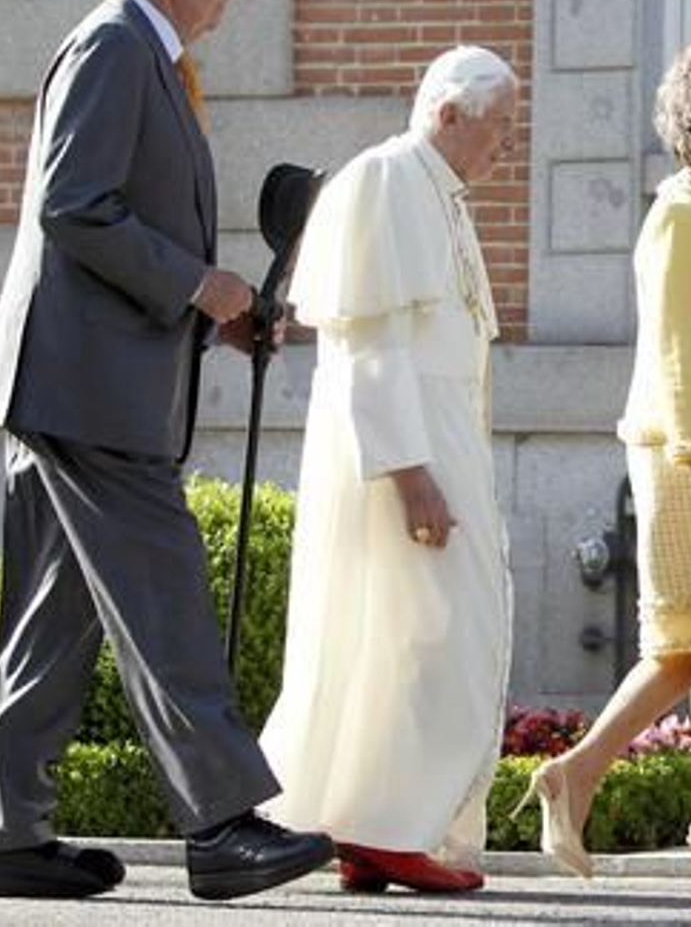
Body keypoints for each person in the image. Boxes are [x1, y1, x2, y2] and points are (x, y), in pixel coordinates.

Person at [0, 0, 333, 902]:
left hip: (79, 380)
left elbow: (109, 219)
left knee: (52, 613)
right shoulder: (117, 45)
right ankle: (220, 823)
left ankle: (4, 833)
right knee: (165, 597)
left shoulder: (143, 53)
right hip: (90, 389)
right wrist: (196, 283)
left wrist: (217, 309)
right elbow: (73, 206)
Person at [512, 37, 691, 892]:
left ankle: (684, 804)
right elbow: (675, 355)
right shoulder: (680, 213)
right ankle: (669, 801)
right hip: (684, 450)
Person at [257, 46, 519, 895]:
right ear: (449, 113)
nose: (504, 148)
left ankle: (380, 830)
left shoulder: (435, 190)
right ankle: (388, 828)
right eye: (499, 128)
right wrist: (412, 473)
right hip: (400, 447)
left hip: (438, 434)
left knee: (426, 632)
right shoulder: (385, 180)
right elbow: (371, 344)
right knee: (422, 630)